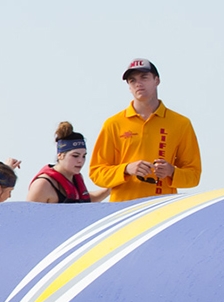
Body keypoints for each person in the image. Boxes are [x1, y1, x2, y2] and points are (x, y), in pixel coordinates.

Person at [89, 58, 202, 202]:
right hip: (122, 209)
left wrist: (172, 171)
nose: (138, 84)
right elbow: (96, 173)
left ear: (157, 80)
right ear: (129, 87)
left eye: (144, 77)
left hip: (162, 207)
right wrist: (126, 169)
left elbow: (194, 176)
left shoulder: (181, 123)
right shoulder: (113, 124)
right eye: (132, 80)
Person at [27, 122, 110, 203]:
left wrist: (110, 189)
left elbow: (85, 201)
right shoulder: (43, 185)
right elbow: (29, 214)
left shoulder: (76, 177)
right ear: (60, 155)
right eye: (75, 156)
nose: (80, 160)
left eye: (84, 156)